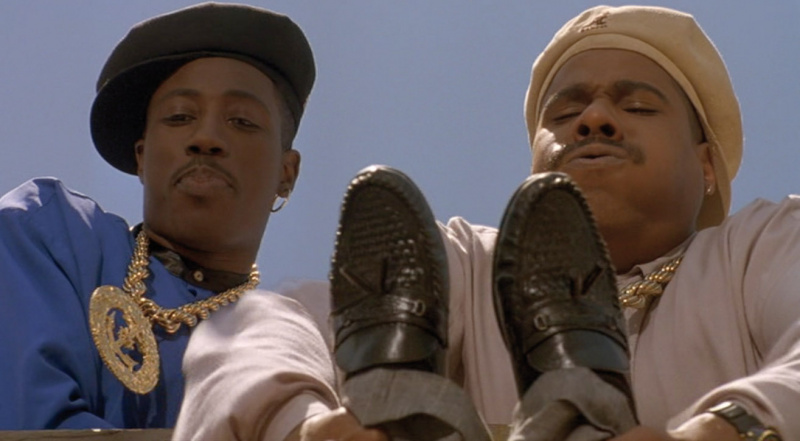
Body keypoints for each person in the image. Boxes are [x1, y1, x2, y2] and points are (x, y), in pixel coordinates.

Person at [271, 4, 797, 440]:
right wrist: (303, 423)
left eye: (638, 106)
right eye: (564, 115)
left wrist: (728, 428)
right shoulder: (463, 262)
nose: (594, 119)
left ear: (707, 165)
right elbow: (284, 328)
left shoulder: (763, 246)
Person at [0, 3, 352, 438]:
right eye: (180, 117)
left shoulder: (300, 351)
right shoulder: (54, 237)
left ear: (287, 173)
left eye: (242, 121)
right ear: (142, 156)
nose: (206, 138)